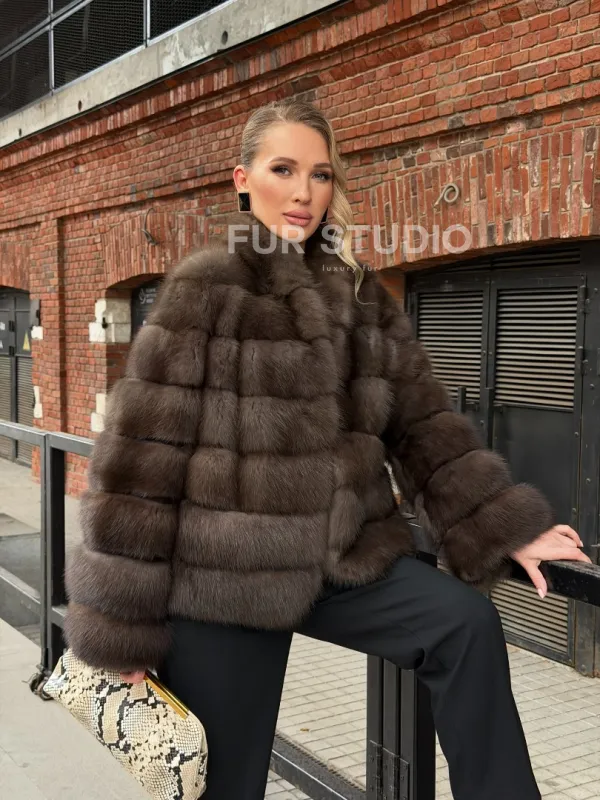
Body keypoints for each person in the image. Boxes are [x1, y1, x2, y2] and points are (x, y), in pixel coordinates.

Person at [64, 98, 592, 800]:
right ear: (243, 180)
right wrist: (119, 628)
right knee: (227, 784)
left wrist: (503, 524)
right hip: (226, 578)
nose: (304, 192)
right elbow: (140, 462)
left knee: (463, 625)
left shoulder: (359, 295)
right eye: (283, 169)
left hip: (345, 561)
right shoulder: (204, 289)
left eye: (320, 174)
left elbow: (422, 424)